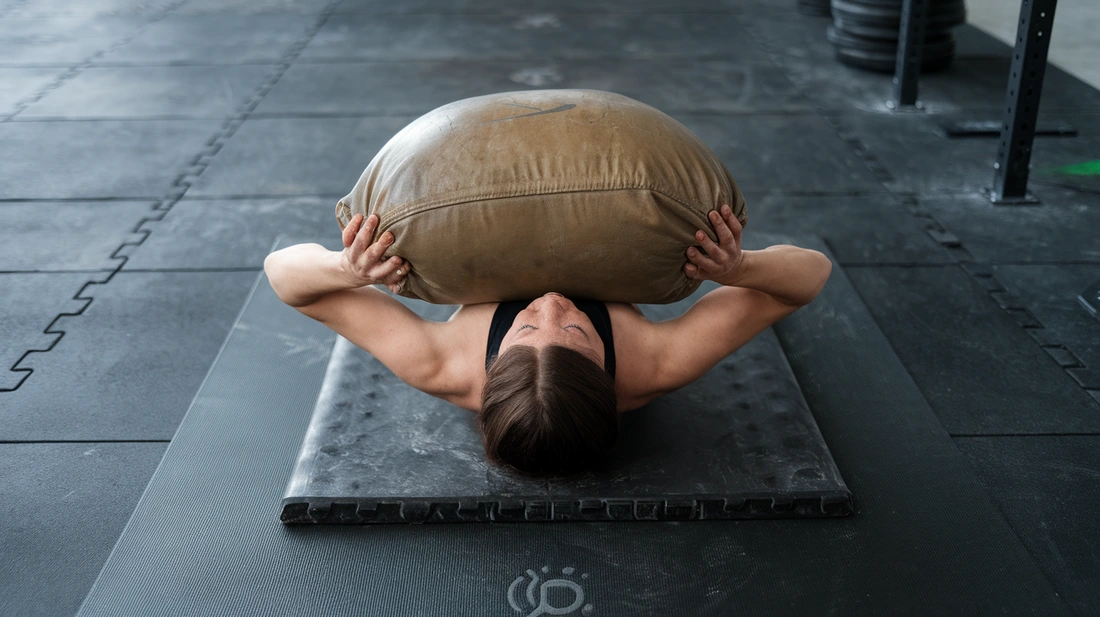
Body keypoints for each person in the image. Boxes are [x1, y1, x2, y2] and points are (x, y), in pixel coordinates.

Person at [264, 204, 832, 476]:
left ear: (492, 364)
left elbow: (286, 277)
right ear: (607, 370)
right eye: (578, 329)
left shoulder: (438, 363)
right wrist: (738, 268)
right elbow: (808, 278)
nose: (552, 303)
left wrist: (347, 269)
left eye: (525, 327)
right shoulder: (657, 364)